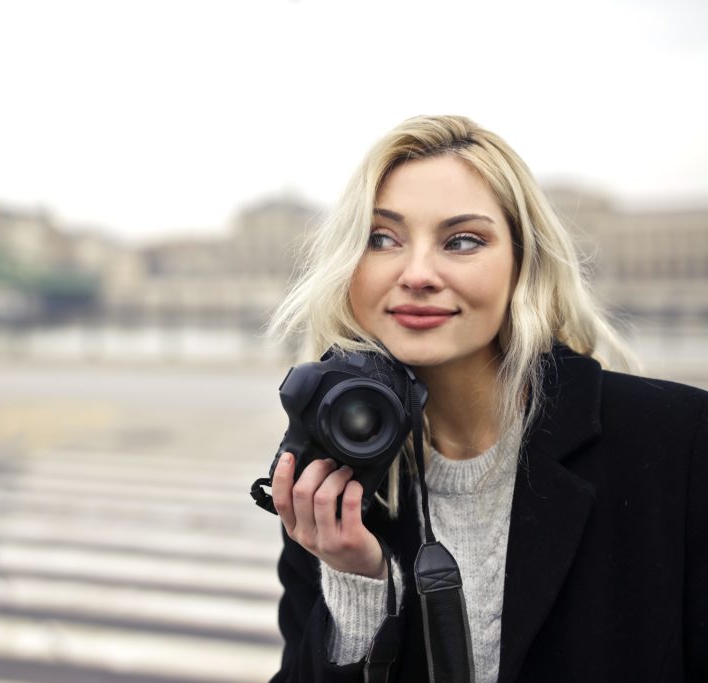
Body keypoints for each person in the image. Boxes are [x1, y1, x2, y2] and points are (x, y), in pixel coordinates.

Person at [263, 115, 707, 682]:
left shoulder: (677, 440)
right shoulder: (331, 476)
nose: (418, 273)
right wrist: (357, 587)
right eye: (382, 238)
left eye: (463, 241)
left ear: (523, 265)